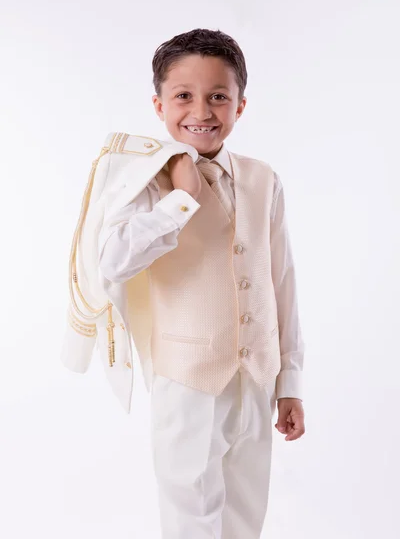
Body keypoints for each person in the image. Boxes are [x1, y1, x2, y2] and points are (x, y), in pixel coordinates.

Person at [98, 28, 305, 539]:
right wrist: (180, 200)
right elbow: (112, 262)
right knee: (190, 513)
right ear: (158, 104)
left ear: (240, 105)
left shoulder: (263, 179)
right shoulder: (148, 180)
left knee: (244, 512)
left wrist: (290, 382)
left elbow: (281, 281)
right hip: (187, 378)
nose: (202, 111)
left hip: (256, 376)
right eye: (183, 96)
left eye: (219, 96)